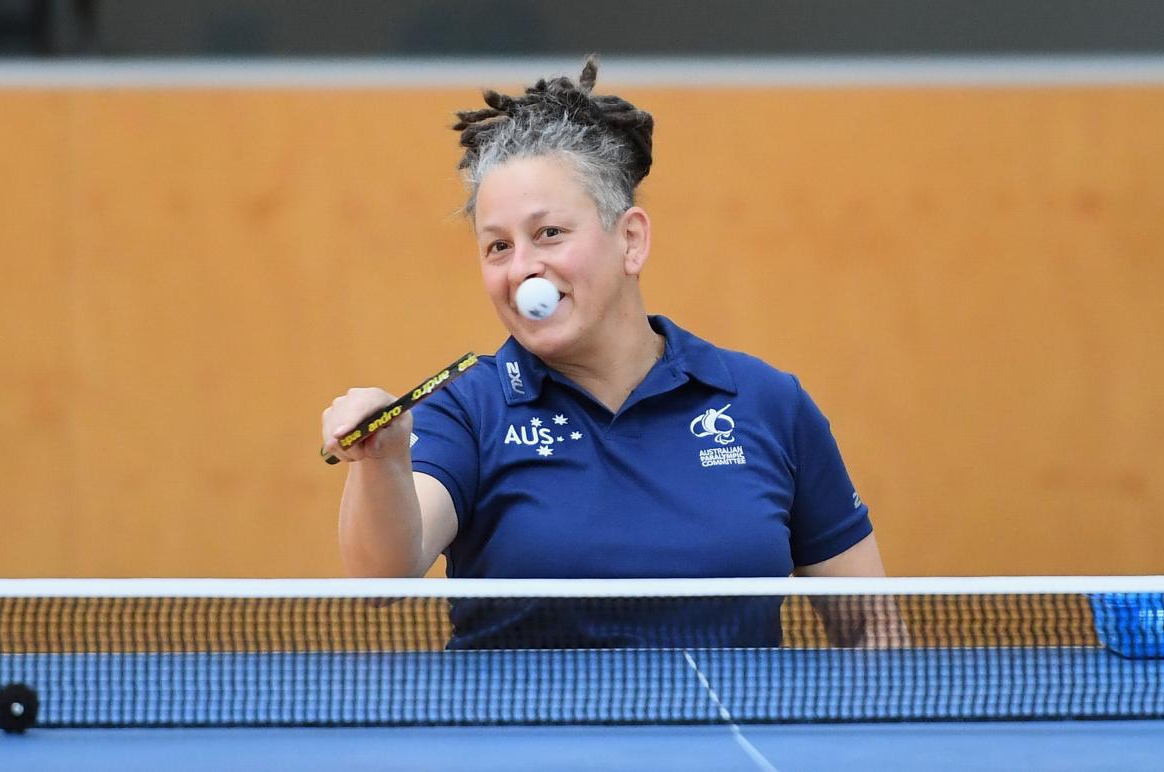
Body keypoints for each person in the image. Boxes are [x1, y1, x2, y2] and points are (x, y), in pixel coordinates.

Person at [322, 57, 893, 648]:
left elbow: (869, 628)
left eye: (549, 233)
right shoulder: (469, 411)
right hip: (519, 739)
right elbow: (381, 578)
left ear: (631, 239)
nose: (522, 269)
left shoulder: (767, 404)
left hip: (723, 736)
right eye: (497, 246)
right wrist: (383, 462)